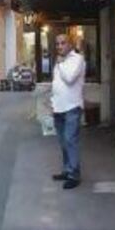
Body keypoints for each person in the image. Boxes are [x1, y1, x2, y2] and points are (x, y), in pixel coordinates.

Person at [51, 34, 86, 190]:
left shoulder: (77, 59)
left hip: (72, 107)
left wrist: (60, 64)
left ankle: (74, 175)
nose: (59, 46)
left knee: (70, 140)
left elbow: (70, 79)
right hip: (58, 107)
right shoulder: (60, 62)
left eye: (63, 43)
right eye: (57, 44)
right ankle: (67, 169)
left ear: (70, 44)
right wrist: (52, 103)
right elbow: (56, 83)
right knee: (63, 141)